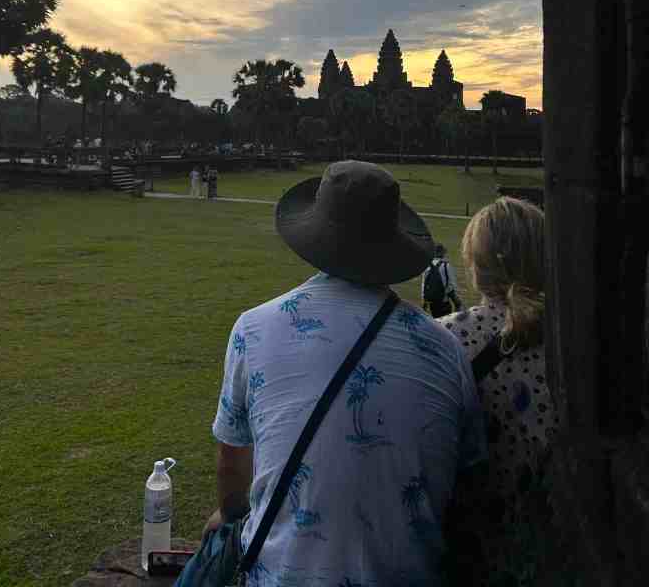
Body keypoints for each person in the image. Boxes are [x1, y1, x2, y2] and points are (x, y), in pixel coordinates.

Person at [183, 161, 486, 587]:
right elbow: (467, 475)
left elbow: (232, 469)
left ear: (317, 234)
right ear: (392, 244)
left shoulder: (253, 329)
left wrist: (228, 515)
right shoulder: (443, 347)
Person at [439, 197, 559, 585]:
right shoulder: (579, 339)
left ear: (476, 265)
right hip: (560, 541)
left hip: (471, 544)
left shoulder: (441, 339)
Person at [421, 243, 462, 318]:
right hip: (444, 302)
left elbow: (424, 285)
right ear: (443, 253)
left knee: (436, 320)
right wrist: (457, 302)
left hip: (432, 302)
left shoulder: (427, 266)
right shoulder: (446, 265)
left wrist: (424, 304)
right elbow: (451, 285)